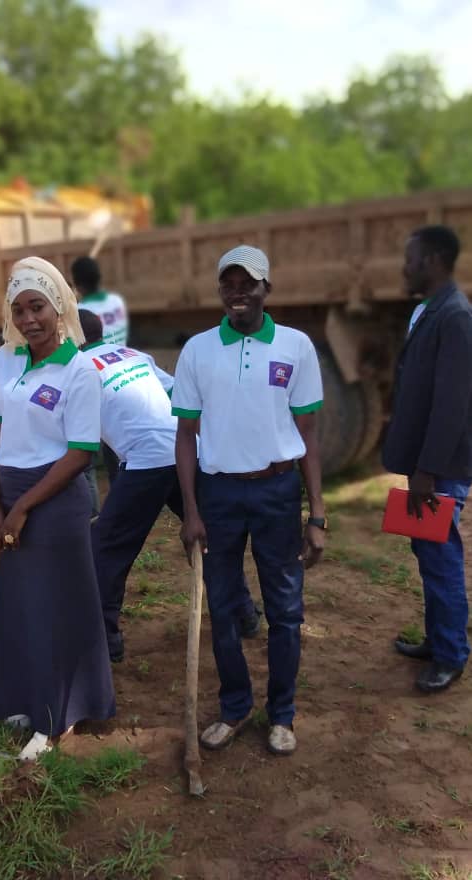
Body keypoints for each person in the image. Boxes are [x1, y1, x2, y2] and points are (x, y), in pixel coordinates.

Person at [172, 244, 325, 757]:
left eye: (248, 283)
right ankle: (235, 707)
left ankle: (281, 715)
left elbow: (308, 434)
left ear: (266, 289)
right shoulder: (197, 350)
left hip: (277, 491)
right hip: (217, 495)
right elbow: (186, 435)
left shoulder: (296, 346)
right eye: (228, 284)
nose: (238, 292)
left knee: (284, 608)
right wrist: (190, 510)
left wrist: (317, 514)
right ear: (220, 290)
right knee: (221, 606)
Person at [0, 256, 115, 761]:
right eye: (19, 310)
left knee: (56, 605)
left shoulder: (80, 370)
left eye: (37, 306)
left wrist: (24, 509)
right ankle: (21, 699)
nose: (29, 319)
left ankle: (55, 718)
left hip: (56, 501)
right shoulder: (4, 361)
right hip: (10, 492)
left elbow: (81, 452)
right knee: (17, 604)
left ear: (58, 306)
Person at [79, 308, 261, 664]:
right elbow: (177, 391)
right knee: (210, 536)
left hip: (148, 460)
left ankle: (104, 638)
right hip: (185, 450)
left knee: (107, 549)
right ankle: (244, 614)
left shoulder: (76, 370)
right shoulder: (132, 355)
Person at [384, 225, 472, 694]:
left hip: (437, 470)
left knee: (441, 560)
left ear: (434, 260)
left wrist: (426, 470)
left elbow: (452, 404)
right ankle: (439, 641)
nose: (404, 267)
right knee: (428, 554)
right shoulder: (429, 310)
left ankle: (452, 656)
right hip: (425, 466)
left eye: (411, 258)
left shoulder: (456, 316)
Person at [72, 255, 127, 488]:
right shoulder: (116, 301)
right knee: (117, 446)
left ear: (78, 284)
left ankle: (103, 503)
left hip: (94, 378)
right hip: (120, 369)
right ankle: (121, 490)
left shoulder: (79, 311)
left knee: (89, 446)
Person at [72, 255, 129, 346]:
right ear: (99, 279)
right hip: (122, 356)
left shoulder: (80, 313)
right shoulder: (117, 301)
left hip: (100, 359)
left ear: (78, 286)